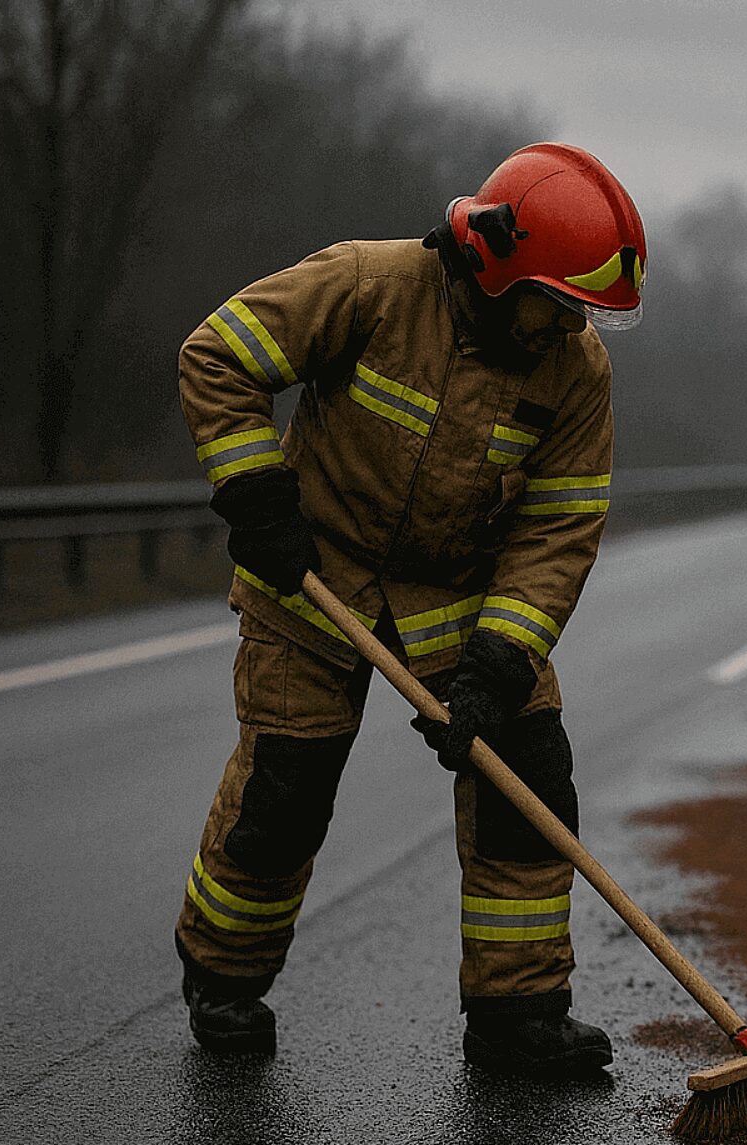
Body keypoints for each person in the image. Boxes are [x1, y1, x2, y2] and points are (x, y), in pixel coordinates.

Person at [172, 143, 644, 1076]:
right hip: (311, 583)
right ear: (502, 271)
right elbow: (217, 356)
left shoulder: (575, 372)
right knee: (284, 794)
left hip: (463, 605)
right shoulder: (369, 285)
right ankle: (223, 977)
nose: (571, 327)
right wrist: (257, 494)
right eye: (561, 303)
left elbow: (556, 532)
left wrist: (500, 666)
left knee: (531, 786)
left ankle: (518, 1013)